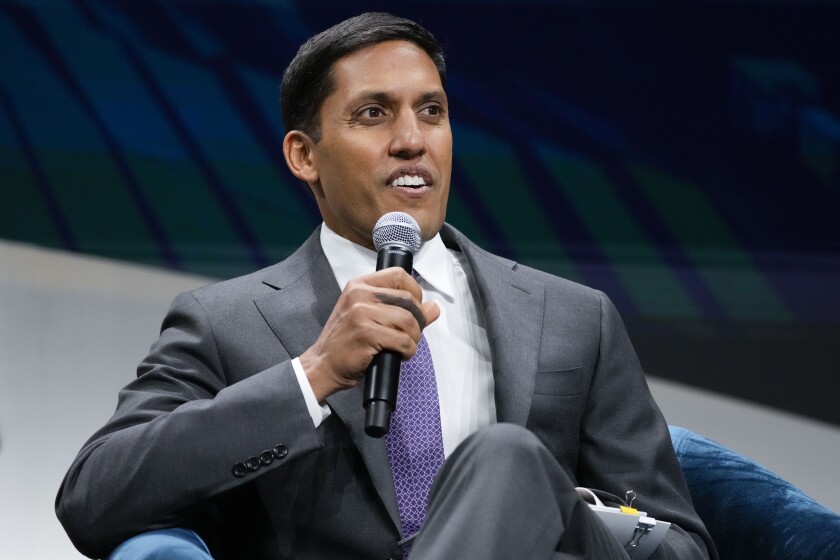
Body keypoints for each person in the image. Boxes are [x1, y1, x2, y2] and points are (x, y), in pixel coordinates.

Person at [56, 12, 716, 560]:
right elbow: (94, 495)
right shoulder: (223, 322)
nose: (411, 140)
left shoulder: (576, 317)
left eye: (431, 111)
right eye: (374, 114)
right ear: (303, 155)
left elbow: (682, 546)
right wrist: (312, 374)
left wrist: (547, 504)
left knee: (509, 458)